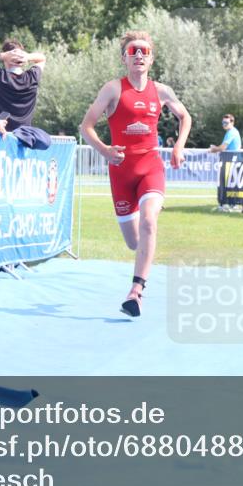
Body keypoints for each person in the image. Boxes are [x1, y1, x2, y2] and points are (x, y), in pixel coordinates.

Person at [79, 30, 191, 317]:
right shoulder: (112, 89)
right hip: (121, 173)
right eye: (133, 52)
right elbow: (86, 126)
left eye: (144, 51)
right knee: (134, 241)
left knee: (150, 222)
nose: (139, 55)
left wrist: (179, 145)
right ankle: (145, 252)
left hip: (151, 167)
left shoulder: (162, 91)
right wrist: (104, 150)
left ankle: (136, 292)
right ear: (124, 59)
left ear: (151, 58)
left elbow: (185, 116)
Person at [0, 39, 46, 132]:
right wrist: (27, 56)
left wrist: (1, 56)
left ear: (5, 58)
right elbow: (42, 58)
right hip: (24, 137)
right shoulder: (32, 77)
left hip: (1, 136)